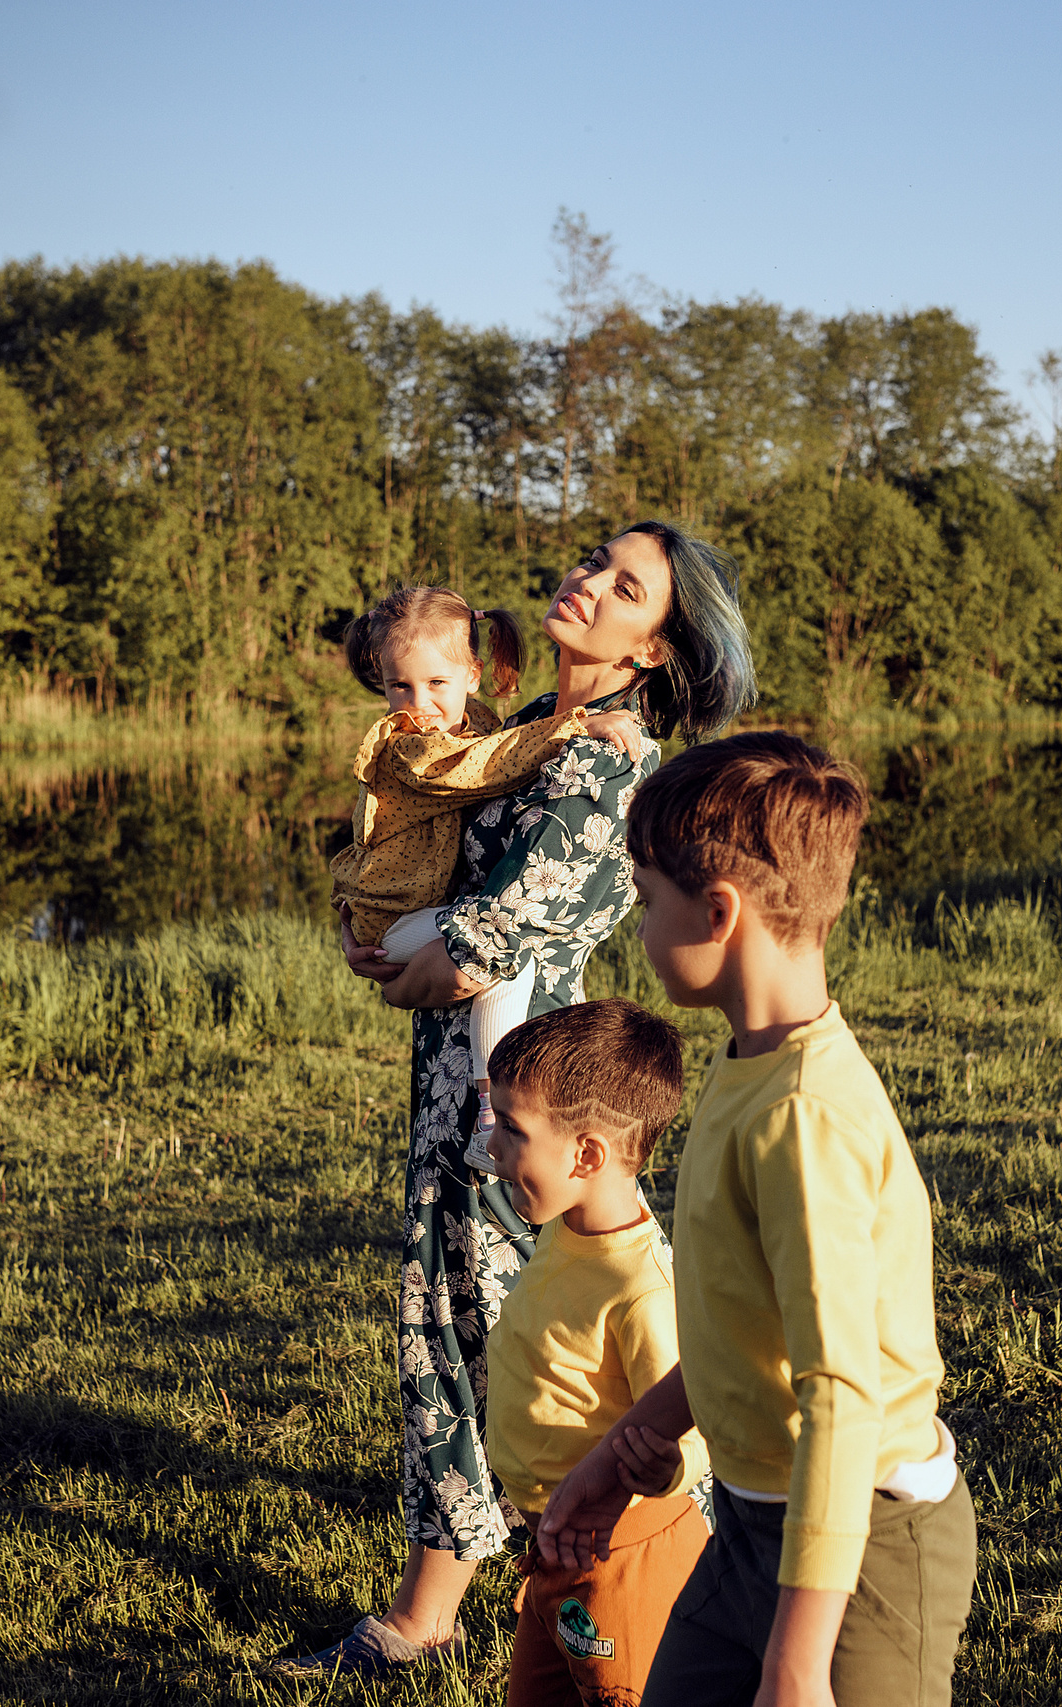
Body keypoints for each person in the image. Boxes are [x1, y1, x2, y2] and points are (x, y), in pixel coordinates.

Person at [277, 524, 756, 1682]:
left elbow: (486, 941)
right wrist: (391, 935)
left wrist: (410, 957)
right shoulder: (517, 733)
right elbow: (437, 889)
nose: (585, 579)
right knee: (472, 1320)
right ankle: (526, 1562)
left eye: (624, 584)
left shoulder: (606, 761)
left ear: (653, 645)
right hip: (470, 1072)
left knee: (483, 1329)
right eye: (593, 557)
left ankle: (452, 1609)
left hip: (523, 1092)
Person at [535, 734, 977, 1706]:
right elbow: (748, 1317)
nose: (640, 931)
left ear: (719, 911)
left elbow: (839, 1393)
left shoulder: (801, 1118)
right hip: (750, 1526)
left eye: (647, 902)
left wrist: (795, 1662)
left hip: (859, 1553)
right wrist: (619, 1456)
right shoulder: (754, 1064)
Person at [328, 586, 645, 1143]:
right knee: (505, 959)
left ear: (472, 675)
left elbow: (499, 750)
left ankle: (492, 1109)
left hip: (415, 914)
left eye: (435, 683)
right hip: (392, 921)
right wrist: (572, 726)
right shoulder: (413, 745)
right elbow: (480, 766)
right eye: (398, 685)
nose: (417, 702)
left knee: (501, 957)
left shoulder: (482, 723)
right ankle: (492, 1110)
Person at [476, 998, 714, 1707]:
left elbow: (700, 1406)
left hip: (622, 1556)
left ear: (586, 1155)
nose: (492, 1147)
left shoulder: (640, 1287)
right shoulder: (567, 1224)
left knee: (625, 1696)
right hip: (554, 1546)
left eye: (512, 1130)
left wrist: (670, 1464)